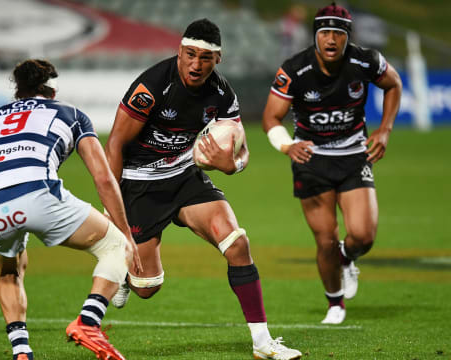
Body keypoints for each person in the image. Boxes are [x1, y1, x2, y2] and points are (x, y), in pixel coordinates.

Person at [105, 19, 302, 360]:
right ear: (179, 52)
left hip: (184, 176)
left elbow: (240, 148)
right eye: (190, 55)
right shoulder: (152, 86)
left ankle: (262, 343)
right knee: (147, 288)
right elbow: (116, 143)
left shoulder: (222, 93)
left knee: (237, 244)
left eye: (205, 57)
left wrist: (232, 166)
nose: (196, 64)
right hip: (139, 185)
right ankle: (125, 268)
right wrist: (112, 206)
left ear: (218, 59)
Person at [0, 59, 142, 360]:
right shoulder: (71, 114)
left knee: (10, 270)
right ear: (52, 90)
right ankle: (88, 322)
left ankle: (22, 352)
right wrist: (125, 233)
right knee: (116, 247)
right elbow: (104, 177)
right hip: (38, 194)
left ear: (18, 90)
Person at [262, 3, 402, 324]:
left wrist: (385, 130)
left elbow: (393, 85)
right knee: (324, 238)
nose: (330, 39)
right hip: (311, 159)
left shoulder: (365, 61)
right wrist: (287, 145)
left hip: (353, 155)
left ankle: (346, 256)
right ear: (315, 36)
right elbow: (271, 118)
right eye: (324, 32)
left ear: (347, 37)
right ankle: (335, 304)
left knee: (363, 236)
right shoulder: (294, 70)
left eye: (338, 33)